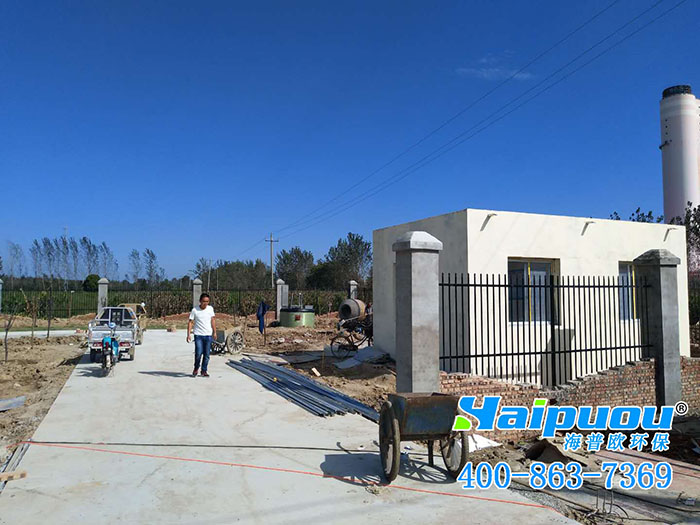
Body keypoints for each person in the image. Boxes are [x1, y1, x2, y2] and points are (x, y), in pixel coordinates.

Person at [187, 293, 216, 377]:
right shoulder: (195, 310)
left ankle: (204, 370)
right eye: (204, 301)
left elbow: (213, 320)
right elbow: (190, 322)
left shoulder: (210, 309)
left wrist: (214, 332)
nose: (205, 303)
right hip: (198, 335)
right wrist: (188, 334)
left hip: (208, 335)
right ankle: (196, 368)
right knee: (198, 353)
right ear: (200, 301)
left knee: (207, 355)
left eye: (207, 301)